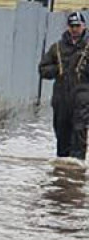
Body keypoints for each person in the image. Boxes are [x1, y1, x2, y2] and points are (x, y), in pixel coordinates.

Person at [39, 11, 89, 160]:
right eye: (72, 26)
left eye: (77, 26)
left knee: (79, 134)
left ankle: (76, 173)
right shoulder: (57, 48)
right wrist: (56, 70)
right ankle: (62, 174)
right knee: (61, 137)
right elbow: (42, 69)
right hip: (61, 100)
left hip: (82, 101)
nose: (74, 29)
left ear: (84, 26)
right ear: (68, 27)